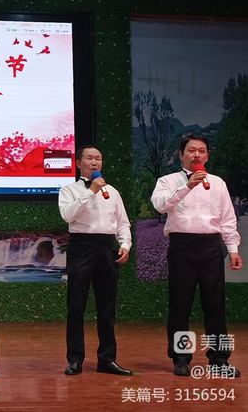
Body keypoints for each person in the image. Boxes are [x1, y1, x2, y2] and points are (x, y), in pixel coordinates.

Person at [151, 135, 242, 377]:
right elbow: (160, 205)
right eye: (191, 150)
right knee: (180, 305)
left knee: (215, 305)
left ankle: (219, 360)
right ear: (181, 155)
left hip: (212, 247)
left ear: (207, 156)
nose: (197, 155)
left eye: (202, 151)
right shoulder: (168, 181)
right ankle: (181, 358)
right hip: (181, 246)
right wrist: (188, 186)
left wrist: (233, 249)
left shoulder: (218, 183)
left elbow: (227, 219)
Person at [58, 145, 133, 376]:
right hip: (81, 247)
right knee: (76, 306)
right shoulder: (69, 190)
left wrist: (125, 244)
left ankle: (107, 359)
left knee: (107, 307)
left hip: (106, 248)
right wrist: (91, 191)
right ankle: (75, 359)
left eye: (98, 158)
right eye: (89, 158)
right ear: (78, 163)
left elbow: (123, 223)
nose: (94, 162)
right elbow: (68, 215)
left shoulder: (113, 192)